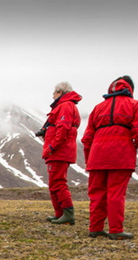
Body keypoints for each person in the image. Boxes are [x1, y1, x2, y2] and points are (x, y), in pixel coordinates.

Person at [81, 75, 138, 240]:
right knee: (116, 193)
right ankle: (115, 230)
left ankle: (95, 228)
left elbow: (87, 139)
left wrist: (89, 160)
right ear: (130, 89)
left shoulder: (98, 108)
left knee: (97, 194)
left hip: (97, 157)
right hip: (121, 156)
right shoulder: (134, 105)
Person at [40, 81, 82, 225]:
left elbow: (63, 129)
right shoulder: (66, 106)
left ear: (60, 92)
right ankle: (60, 214)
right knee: (54, 184)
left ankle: (68, 214)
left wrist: (52, 147)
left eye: (54, 93)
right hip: (58, 151)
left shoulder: (65, 106)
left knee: (58, 183)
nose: (52, 96)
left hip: (58, 152)